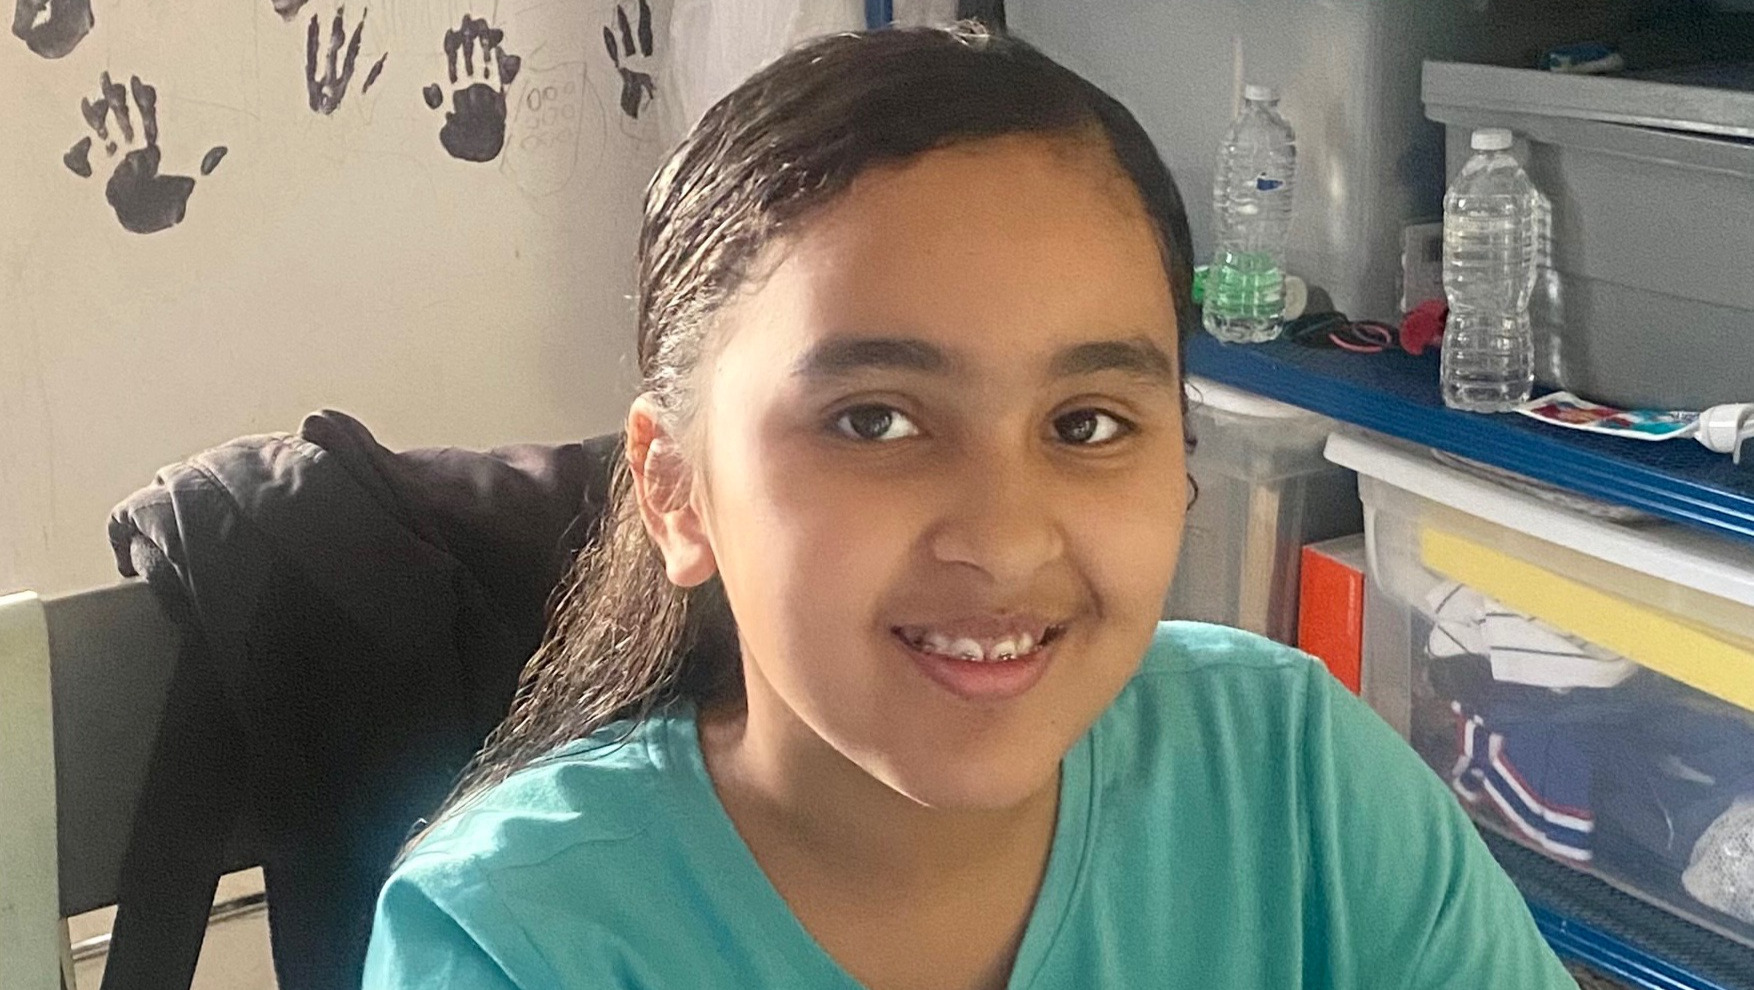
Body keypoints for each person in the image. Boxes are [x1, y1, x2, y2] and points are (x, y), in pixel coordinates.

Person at [362, 22, 1576, 990]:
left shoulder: (1296, 786)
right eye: (873, 422)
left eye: (1085, 425)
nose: (1001, 541)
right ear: (674, 488)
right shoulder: (515, 940)